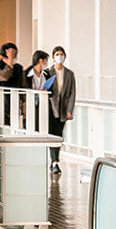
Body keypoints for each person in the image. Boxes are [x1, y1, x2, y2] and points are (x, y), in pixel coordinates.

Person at [46, 45, 75, 174]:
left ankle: (54, 161)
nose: (59, 57)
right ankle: (54, 161)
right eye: (57, 54)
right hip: (50, 109)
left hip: (63, 110)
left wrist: (69, 110)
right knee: (53, 135)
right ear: (53, 57)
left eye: (61, 54)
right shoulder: (47, 72)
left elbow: (72, 94)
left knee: (59, 135)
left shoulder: (69, 74)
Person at [0, 42, 25, 125]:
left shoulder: (18, 68)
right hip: (0, 103)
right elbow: (4, 77)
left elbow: (23, 85)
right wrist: (10, 60)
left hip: (15, 103)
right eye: (12, 52)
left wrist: (24, 105)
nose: (14, 55)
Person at [24, 50, 50, 131]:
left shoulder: (46, 74)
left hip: (42, 105)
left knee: (42, 128)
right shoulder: (26, 74)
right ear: (40, 60)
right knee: (30, 127)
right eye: (46, 60)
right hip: (30, 105)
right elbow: (23, 91)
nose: (46, 63)